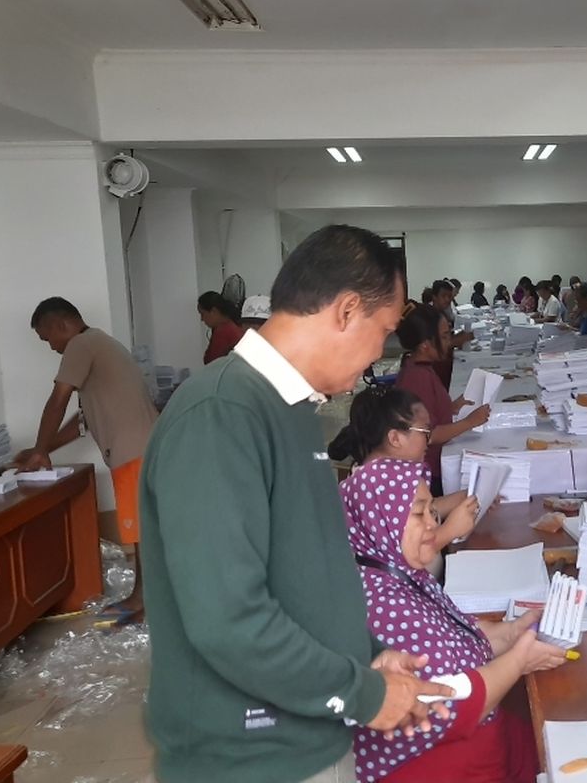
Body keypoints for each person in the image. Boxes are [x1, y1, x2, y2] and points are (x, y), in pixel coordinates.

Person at [138, 225, 455, 783]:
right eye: (383, 330)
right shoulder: (221, 414)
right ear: (346, 310)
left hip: (306, 728)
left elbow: (305, 570)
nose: (382, 351)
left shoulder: (292, 407)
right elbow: (228, 621)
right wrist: (360, 693)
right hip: (254, 756)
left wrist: (367, 655)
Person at [342, 458, 566, 782]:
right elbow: (451, 705)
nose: (433, 523)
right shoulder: (381, 606)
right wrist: (518, 661)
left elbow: (459, 641)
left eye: (431, 510)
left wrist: (512, 632)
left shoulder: (404, 576)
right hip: (443, 766)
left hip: (486, 740)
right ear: (381, 521)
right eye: (418, 513)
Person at [16, 297, 158, 619]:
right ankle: (146, 598)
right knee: (145, 529)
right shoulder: (100, 343)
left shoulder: (81, 344)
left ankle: (141, 601)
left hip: (132, 452)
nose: (50, 347)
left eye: (47, 337)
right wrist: (43, 448)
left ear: (60, 324)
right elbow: (81, 421)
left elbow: (58, 399)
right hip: (143, 448)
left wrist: (39, 450)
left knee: (140, 532)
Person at [329, 386, 481, 551]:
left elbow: (419, 510)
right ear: (395, 438)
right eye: (425, 431)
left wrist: (467, 497)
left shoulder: (382, 475)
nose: (428, 439)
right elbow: (408, 553)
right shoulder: (381, 485)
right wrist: (450, 530)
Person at [395, 303, 490, 494]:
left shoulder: (421, 365)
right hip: (429, 472)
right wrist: (470, 421)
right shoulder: (417, 377)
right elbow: (428, 435)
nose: (450, 342)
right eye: (445, 336)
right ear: (425, 345)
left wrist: (452, 406)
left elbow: (427, 408)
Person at [198, 291, 246, 364]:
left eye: (202, 314)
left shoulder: (223, 331)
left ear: (214, 311)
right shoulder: (231, 325)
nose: (202, 319)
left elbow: (212, 363)